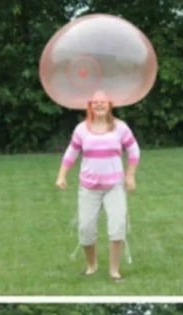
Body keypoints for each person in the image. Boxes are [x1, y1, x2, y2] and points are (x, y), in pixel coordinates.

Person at [56, 90, 140, 282]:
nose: (99, 105)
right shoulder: (81, 130)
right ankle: (91, 265)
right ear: (90, 106)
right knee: (86, 228)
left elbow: (134, 150)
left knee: (117, 226)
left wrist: (130, 175)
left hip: (114, 186)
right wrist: (62, 175)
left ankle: (114, 270)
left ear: (110, 105)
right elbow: (71, 153)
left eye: (103, 102)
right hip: (88, 187)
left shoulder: (120, 128)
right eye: (95, 103)